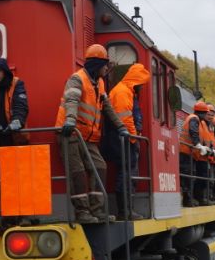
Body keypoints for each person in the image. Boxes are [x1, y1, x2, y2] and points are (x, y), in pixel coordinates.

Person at [55, 44, 127, 223]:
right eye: (105, 65)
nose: (106, 69)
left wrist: (120, 126)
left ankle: (97, 210)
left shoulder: (100, 83)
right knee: (77, 171)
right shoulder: (77, 79)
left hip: (87, 136)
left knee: (100, 166)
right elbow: (71, 99)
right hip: (70, 132)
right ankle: (82, 213)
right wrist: (70, 119)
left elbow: (107, 107)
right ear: (97, 64)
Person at [105, 62, 150, 220]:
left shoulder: (125, 90)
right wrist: (134, 139)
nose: (142, 87)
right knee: (126, 172)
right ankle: (125, 211)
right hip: (122, 138)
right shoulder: (123, 92)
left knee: (128, 172)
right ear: (136, 80)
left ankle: (127, 209)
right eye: (141, 83)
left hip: (122, 137)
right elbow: (125, 118)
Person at [180, 101, 211, 206]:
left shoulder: (193, 118)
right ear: (202, 113)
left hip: (188, 152)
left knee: (189, 176)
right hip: (186, 152)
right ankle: (187, 200)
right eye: (205, 113)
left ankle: (188, 199)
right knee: (187, 176)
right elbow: (193, 132)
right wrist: (197, 144)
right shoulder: (194, 119)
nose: (206, 115)